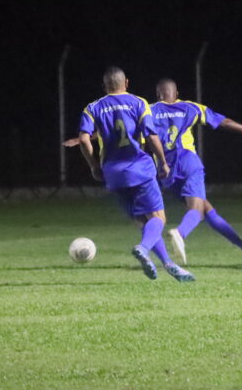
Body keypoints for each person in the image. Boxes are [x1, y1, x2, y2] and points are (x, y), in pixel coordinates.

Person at [78, 66, 195, 282]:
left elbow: (84, 139)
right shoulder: (139, 103)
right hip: (138, 168)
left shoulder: (92, 107)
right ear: (127, 83)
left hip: (112, 173)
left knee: (143, 221)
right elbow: (151, 136)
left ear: (105, 86)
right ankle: (143, 248)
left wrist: (94, 165)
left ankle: (168, 264)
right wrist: (162, 162)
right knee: (158, 218)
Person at [151, 78, 242, 264]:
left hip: (165, 169)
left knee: (207, 210)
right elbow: (223, 122)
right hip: (187, 161)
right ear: (176, 94)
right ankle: (180, 233)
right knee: (197, 211)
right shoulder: (190, 107)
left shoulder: (148, 110)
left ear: (158, 94)